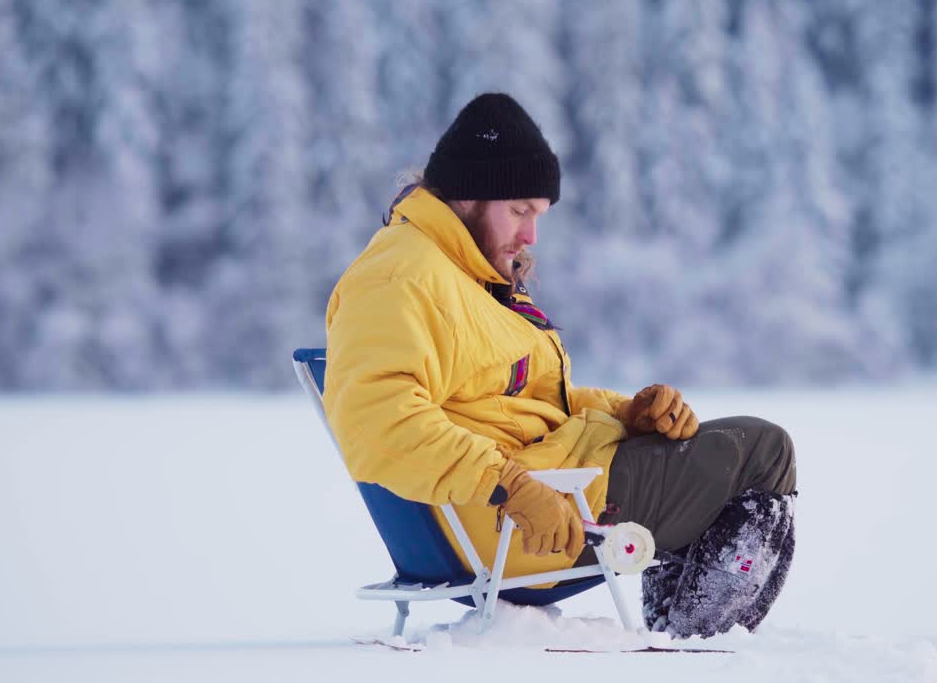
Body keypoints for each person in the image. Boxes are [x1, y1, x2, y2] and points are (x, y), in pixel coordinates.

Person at [323, 92, 797, 638]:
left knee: (726, 446)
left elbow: (524, 399)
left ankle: (683, 629)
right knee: (764, 451)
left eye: (538, 215)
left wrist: (627, 414)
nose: (530, 236)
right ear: (468, 195)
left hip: (541, 491)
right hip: (523, 518)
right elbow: (377, 421)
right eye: (519, 211)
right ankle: (698, 643)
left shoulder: (465, 274)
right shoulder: (401, 278)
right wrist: (508, 484)